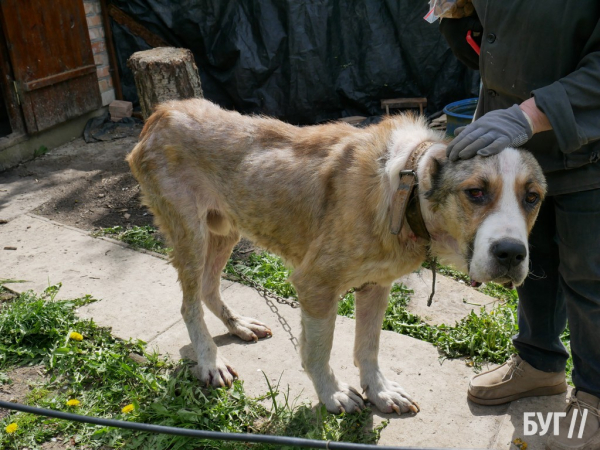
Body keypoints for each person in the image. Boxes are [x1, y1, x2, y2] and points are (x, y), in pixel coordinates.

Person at [439, 2, 600, 449]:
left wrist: (528, 114)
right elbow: (499, 44)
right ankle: (539, 365)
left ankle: (597, 402)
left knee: (592, 277)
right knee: (535, 257)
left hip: (590, 144)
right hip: (523, 145)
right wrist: (455, 18)